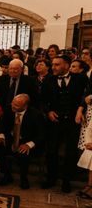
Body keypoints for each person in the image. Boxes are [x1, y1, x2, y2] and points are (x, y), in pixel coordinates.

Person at [41, 53, 88, 192]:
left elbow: (85, 97)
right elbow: (42, 100)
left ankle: (66, 181)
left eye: (57, 64)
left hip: (73, 121)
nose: (53, 67)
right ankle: (51, 178)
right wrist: (48, 111)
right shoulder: (48, 80)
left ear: (66, 65)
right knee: (51, 151)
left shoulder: (80, 78)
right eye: (53, 64)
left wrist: (81, 111)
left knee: (70, 152)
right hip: (54, 121)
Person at [0, 94, 44, 190]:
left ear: (25, 106)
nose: (13, 106)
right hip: (11, 139)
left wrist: (29, 145)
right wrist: (1, 136)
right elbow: (2, 125)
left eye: (16, 105)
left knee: (23, 153)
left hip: (27, 141)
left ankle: (23, 178)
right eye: (13, 103)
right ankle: (6, 175)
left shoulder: (36, 115)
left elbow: (41, 135)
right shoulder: (9, 109)